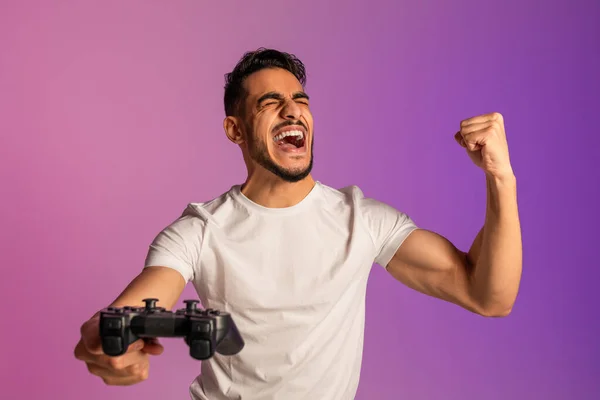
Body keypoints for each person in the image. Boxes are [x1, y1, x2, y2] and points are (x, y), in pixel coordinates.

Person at [74, 48, 522, 399]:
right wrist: (104, 340)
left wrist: (501, 179)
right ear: (236, 130)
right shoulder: (200, 230)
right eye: (271, 103)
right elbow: (128, 311)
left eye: (299, 101)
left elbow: (489, 296)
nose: (293, 111)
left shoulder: (361, 219)